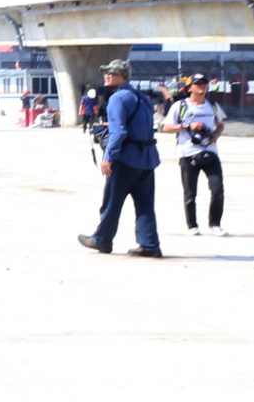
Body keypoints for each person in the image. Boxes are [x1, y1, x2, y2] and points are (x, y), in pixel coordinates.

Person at [79, 59, 164, 257]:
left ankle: (102, 239)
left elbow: (119, 132)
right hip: (147, 159)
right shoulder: (142, 97)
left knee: (112, 202)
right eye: (106, 72)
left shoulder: (117, 98)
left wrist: (108, 157)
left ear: (123, 76)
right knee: (145, 204)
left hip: (126, 159)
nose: (107, 75)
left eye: (113, 73)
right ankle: (150, 244)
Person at [163, 77, 228, 235]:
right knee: (190, 193)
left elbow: (221, 124)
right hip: (188, 154)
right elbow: (166, 127)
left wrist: (215, 135)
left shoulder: (212, 105)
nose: (202, 87)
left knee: (218, 190)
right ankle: (192, 225)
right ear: (189, 88)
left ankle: (215, 224)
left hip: (210, 152)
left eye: (204, 84)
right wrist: (188, 126)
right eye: (197, 84)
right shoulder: (180, 106)